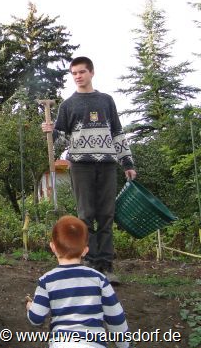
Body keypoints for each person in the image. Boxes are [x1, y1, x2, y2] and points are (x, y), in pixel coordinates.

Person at [41, 56, 137, 284]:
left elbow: (117, 133)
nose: (78, 76)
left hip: (106, 163)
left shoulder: (106, 101)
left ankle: (107, 266)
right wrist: (50, 130)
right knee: (85, 215)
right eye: (74, 73)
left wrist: (128, 163)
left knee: (106, 215)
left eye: (82, 72)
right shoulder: (68, 105)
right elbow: (60, 137)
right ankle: (91, 263)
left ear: (91, 73)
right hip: (80, 165)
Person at [26, 215, 132, 348]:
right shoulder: (99, 279)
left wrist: (30, 308)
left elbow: (36, 318)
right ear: (85, 250)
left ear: (53, 247)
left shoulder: (47, 281)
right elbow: (116, 318)